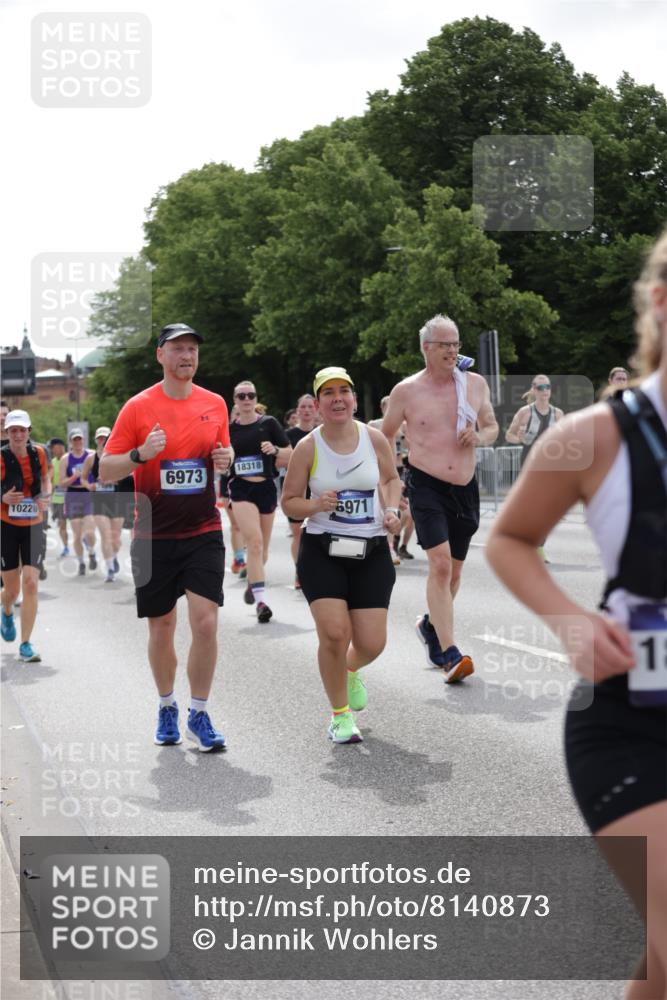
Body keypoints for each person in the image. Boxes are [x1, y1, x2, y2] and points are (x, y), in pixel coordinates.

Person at [486, 227, 667, 1000]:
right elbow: (511, 540)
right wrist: (567, 621)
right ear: (660, 302)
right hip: (632, 721)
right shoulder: (594, 437)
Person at [100, 323, 234, 751]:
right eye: (178, 348)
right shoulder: (138, 408)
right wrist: (141, 455)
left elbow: (223, 458)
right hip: (152, 532)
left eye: (192, 349)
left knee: (206, 621)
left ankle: (199, 711)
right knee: (162, 626)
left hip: (203, 528)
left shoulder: (215, 403)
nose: (187, 355)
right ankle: (166, 705)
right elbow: (106, 470)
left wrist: (226, 459)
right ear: (160, 355)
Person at [282, 367, 403, 744]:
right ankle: (339, 715)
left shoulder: (374, 438)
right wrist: (316, 503)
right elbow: (289, 502)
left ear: (352, 398)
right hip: (323, 551)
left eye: (344, 392)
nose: (337, 398)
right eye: (329, 393)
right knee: (334, 634)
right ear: (317, 404)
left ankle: (349, 669)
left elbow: (390, 478)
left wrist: (393, 510)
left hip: (371, 550)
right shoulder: (308, 448)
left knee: (371, 643)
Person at [382, 314, 498, 681]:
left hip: (465, 488)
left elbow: (492, 425)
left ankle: (430, 627)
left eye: (456, 344)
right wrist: (390, 482)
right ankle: (450, 653)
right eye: (444, 344)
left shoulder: (474, 384)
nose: (452, 351)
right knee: (441, 565)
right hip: (425, 483)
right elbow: (383, 436)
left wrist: (480, 436)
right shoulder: (406, 391)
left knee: (456, 571)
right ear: (425, 348)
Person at [228, 380, 291, 622]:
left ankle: (253, 582)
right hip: (241, 488)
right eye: (241, 396)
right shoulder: (229, 429)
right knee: (253, 543)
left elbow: (291, 453)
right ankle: (261, 602)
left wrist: (275, 451)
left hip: (265, 487)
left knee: (262, 551)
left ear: (255, 398)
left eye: (250, 395)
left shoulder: (269, 424)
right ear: (235, 401)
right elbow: (220, 455)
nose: (246, 399)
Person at [0, 409, 50, 661]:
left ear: (29, 431)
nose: (18, 434)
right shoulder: (0, 457)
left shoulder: (39, 453)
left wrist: (45, 496)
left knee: (30, 583)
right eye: (13, 430)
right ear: (6, 432)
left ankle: (26, 644)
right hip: (6, 525)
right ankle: (6, 610)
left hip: (34, 523)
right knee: (11, 590)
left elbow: (47, 480)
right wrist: (3, 497)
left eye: (22, 430)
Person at [505, 375, 564, 561]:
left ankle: (537, 546)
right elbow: (509, 436)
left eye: (547, 387)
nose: (544, 390)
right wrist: (520, 439)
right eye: (540, 387)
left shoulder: (558, 414)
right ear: (534, 390)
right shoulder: (525, 412)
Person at [79, 427, 128, 583]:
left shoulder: (118, 456)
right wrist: (89, 486)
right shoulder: (91, 458)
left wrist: (117, 478)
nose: (102, 440)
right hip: (99, 501)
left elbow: (128, 473)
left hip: (117, 500)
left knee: (116, 539)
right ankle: (110, 569)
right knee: (106, 536)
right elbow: (83, 478)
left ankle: (113, 557)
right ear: (96, 440)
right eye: (99, 438)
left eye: (105, 437)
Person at [369, 396, 415, 562]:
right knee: (388, 508)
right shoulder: (374, 425)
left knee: (407, 513)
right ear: (382, 408)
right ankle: (387, 546)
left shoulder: (403, 426)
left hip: (400, 470)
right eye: (389, 407)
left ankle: (393, 541)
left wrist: (402, 437)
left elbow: (412, 446)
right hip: (381, 471)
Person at [285, 394, 317, 589]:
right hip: (296, 488)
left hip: (316, 487)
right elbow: (280, 459)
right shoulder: (288, 435)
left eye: (310, 407)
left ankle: (315, 569)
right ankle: (300, 570)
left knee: (314, 532)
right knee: (298, 533)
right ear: (297, 411)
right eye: (302, 407)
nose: (306, 410)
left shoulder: (321, 434)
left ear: (316, 409)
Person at [60, 429, 97, 576]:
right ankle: (81, 562)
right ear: (70, 442)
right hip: (73, 494)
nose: (77, 442)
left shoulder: (92, 455)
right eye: (74, 440)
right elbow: (62, 483)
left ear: (83, 440)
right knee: (77, 534)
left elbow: (100, 472)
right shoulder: (66, 459)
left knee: (89, 531)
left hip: (88, 494)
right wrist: (74, 476)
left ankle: (92, 552)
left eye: (79, 439)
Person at [47, 438, 69, 556]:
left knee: (79, 523)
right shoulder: (53, 462)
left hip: (72, 498)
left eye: (52, 448)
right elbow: (49, 481)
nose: (51, 450)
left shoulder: (70, 459)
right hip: (58, 499)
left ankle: (85, 541)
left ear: (60, 447)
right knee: (62, 524)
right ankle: (66, 547)